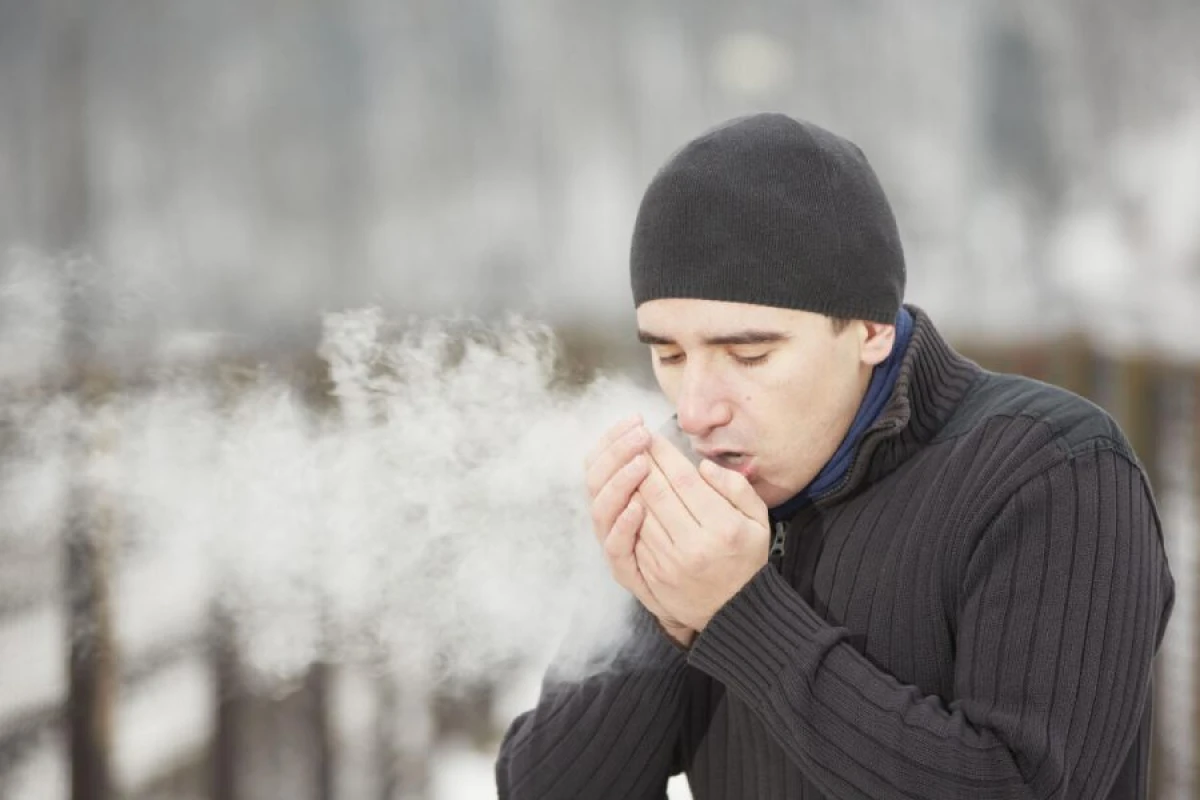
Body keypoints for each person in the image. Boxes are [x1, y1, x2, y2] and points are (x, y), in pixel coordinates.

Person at [494, 113, 1175, 799]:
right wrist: (659, 613)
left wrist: (740, 613)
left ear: (872, 328)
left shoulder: (1053, 471)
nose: (697, 409)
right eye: (668, 354)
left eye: (749, 354)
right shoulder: (688, 492)